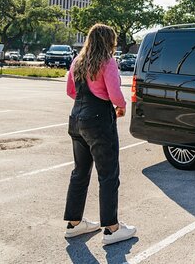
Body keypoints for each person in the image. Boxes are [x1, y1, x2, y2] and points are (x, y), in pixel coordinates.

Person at [63, 23, 137, 245]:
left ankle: (74, 224)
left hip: (76, 119)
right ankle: (112, 228)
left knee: (80, 172)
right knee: (108, 174)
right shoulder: (107, 61)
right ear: (109, 41)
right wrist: (121, 106)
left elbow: (70, 91)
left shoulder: (77, 61)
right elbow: (114, 93)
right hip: (98, 121)